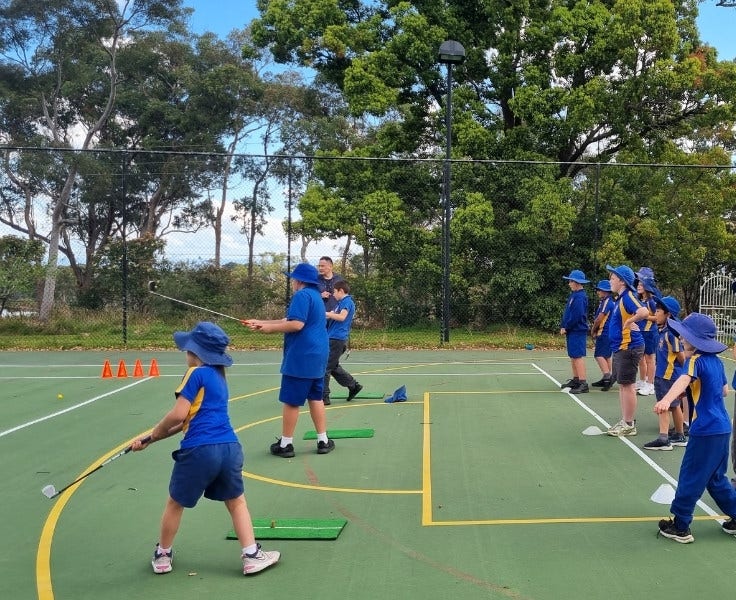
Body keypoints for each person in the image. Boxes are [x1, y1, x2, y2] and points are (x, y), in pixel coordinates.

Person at [131, 321, 280, 575]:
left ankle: (163, 554)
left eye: (188, 350)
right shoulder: (220, 377)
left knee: (175, 503)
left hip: (200, 451)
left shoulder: (195, 374)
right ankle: (251, 554)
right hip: (230, 448)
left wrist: (155, 431)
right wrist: (151, 439)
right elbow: (189, 420)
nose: (186, 354)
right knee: (236, 502)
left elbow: (178, 416)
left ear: (196, 353)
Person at [654, 313, 736, 543]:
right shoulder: (716, 362)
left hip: (705, 429)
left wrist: (666, 399)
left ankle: (680, 526)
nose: (681, 337)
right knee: (716, 478)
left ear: (693, 339)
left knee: (691, 475)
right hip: (722, 428)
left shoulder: (694, 361)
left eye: (684, 334)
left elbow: (683, 380)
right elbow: (724, 391)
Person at [243, 263, 334, 457]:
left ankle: (286, 445)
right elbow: (288, 320)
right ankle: (323, 440)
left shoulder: (301, 295)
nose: (292, 281)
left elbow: (296, 324)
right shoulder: (315, 296)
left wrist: (269, 329)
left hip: (302, 355)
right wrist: (261, 322)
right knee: (315, 397)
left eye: (293, 278)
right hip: (318, 354)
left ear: (299, 280)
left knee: (292, 401)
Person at [605, 265, 650, 436]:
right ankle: (625, 420)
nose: (610, 281)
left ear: (622, 281)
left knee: (628, 385)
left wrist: (631, 321)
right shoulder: (620, 299)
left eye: (613, 278)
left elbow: (644, 311)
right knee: (624, 385)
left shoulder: (628, 296)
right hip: (621, 347)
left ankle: (629, 424)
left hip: (629, 347)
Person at [642, 296, 687, 451]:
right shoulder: (663, 331)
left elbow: (680, 356)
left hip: (667, 376)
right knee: (674, 406)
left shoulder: (670, 334)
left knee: (664, 406)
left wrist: (684, 372)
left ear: (668, 315)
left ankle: (663, 438)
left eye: (659, 311)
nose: (656, 313)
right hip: (666, 375)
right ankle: (679, 435)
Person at [323, 280, 362, 405]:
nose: (333, 294)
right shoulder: (340, 303)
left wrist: (327, 313)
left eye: (335, 292)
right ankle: (353, 385)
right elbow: (332, 315)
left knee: (325, 367)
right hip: (334, 337)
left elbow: (341, 317)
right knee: (333, 366)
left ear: (341, 291)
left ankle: (324, 397)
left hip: (336, 339)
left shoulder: (347, 302)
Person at [559, 269, 590, 394]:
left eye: (571, 281)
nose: (569, 283)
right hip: (572, 330)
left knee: (577, 356)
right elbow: (569, 312)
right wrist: (564, 324)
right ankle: (576, 379)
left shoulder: (580, 297)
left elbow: (577, 315)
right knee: (573, 355)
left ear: (577, 282)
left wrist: (567, 326)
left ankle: (583, 382)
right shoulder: (574, 295)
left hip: (577, 330)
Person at [635, 276, 660, 397]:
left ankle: (650, 384)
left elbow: (657, 317)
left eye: (641, 284)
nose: (638, 286)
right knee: (641, 358)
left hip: (650, 332)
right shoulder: (640, 300)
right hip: (641, 332)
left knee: (650, 359)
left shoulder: (651, 302)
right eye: (638, 284)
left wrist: (644, 316)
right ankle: (643, 381)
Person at [590, 280, 614, 391]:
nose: (597, 292)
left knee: (599, 355)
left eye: (599, 290)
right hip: (609, 332)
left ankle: (607, 377)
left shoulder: (607, 302)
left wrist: (593, 329)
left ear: (605, 291)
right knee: (606, 356)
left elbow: (600, 318)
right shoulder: (608, 301)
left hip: (604, 332)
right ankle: (608, 378)